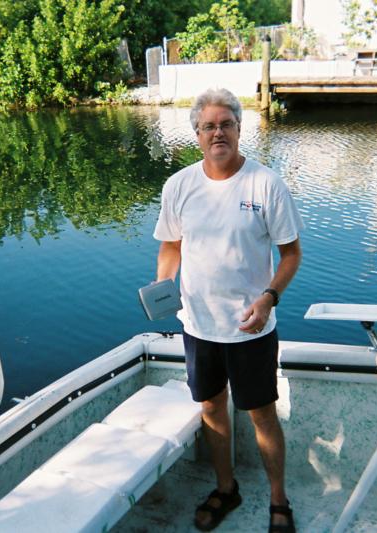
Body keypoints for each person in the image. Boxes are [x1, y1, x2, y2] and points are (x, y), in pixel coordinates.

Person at [153, 88, 304, 532]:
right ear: (197, 134)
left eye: (226, 124)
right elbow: (170, 245)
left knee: (261, 413)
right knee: (212, 409)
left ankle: (279, 500)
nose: (218, 132)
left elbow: (291, 255)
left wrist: (269, 297)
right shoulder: (179, 185)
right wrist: (163, 286)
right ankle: (226, 488)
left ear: (240, 129)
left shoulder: (265, 184)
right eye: (209, 126)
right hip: (198, 326)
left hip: (250, 328)